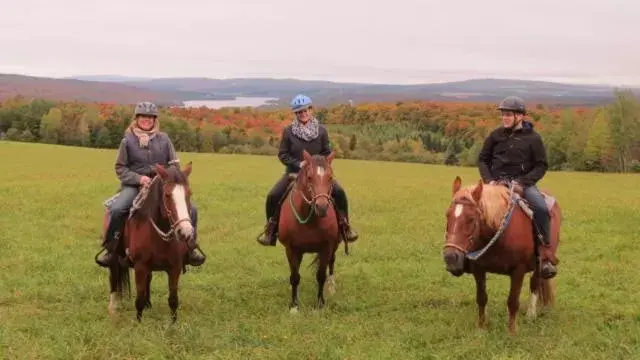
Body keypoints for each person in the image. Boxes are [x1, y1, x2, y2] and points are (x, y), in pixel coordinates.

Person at [95, 101, 206, 267]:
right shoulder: (127, 141)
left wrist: (164, 178)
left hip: (162, 185)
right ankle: (111, 249)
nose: (146, 120)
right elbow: (120, 168)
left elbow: (174, 165)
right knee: (117, 209)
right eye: (143, 117)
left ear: (155, 120)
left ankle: (190, 248)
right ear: (137, 118)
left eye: (150, 117)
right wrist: (139, 179)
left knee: (193, 210)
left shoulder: (164, 139)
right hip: (134, 185)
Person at [256, 94, 359, 246]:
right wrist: (298, 164)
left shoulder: (322, 131)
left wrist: (319, 166)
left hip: (317, 175)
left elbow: (325, 151)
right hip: (294, 174)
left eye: (306, 110)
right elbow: (282, 154)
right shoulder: (289, 132)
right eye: (299, 112)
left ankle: (345, 227)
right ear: (295, 114)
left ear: (311, 110)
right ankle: (270, 230)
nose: (303, 114)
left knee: (340, 193)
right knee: (273, 195)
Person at [477, 95, 557, 279]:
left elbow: (541, 165)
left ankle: (545, 255)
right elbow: (483, 159)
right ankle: (468, 254)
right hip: (495, 183)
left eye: (508, 114)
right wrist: (489, 180)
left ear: (520, 117)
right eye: (503, 114)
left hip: (522, 184)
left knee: (541, 208)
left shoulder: (533, 138)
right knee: (470, 207)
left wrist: (523, 183)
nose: (504, 117)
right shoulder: (495, 135)